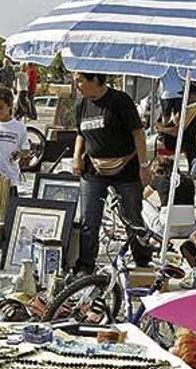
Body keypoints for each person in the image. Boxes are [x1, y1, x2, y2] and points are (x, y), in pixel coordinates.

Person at [72, 72, 151, 276]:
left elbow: (138, 133)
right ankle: (86, 266)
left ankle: (142, 261)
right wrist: (76, 157)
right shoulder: (81, 105)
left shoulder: (120, 100)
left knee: (132, 216)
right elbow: (80, 134)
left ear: (95, 80)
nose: (77, 84)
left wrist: (143, 165)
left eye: (80, 80)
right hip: (93, 171)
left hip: (125, 169)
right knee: (89, 219)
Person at [155, 84, 196, 164]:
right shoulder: (187, 109)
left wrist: (162, 129)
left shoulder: (194, 110)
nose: (184, 98)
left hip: (190, 145)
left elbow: (177, 131)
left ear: (193, 96)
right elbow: (173, 124)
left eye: (187, 95)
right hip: (186, 146)